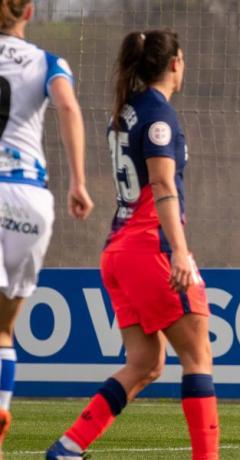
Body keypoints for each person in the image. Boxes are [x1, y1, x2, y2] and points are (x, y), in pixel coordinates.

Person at [46, 30, 218, 460]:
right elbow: (162, 184)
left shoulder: (125, 112)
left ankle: (69, 447)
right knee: (197, 357)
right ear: (175, 63)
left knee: (145, 363)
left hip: (118, 250)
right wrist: (178, 249)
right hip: (150, 247)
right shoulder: (159, 116)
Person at [0, 0, 94, 450]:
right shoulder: (47, 61)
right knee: (3, 329)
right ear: (30, 12)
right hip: (29, 197)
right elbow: (69, 109)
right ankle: (0, 407)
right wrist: (78, 180)